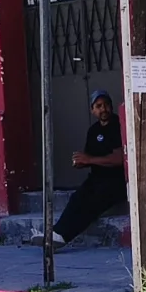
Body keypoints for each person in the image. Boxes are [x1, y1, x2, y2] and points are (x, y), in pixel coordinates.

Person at [46, 91, 127, 247]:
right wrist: (81, 162)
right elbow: (90, 157)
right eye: (98, 106)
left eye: (106, 105)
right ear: (92, 110)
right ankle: (55, 233)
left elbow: (119, 159)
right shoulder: (93, 130)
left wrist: (89, 159)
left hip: (116, 181)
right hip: (96, 179)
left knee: (92, 204)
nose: (103, 109)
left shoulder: (118, 125)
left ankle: (63, 237)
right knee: (77, 198)